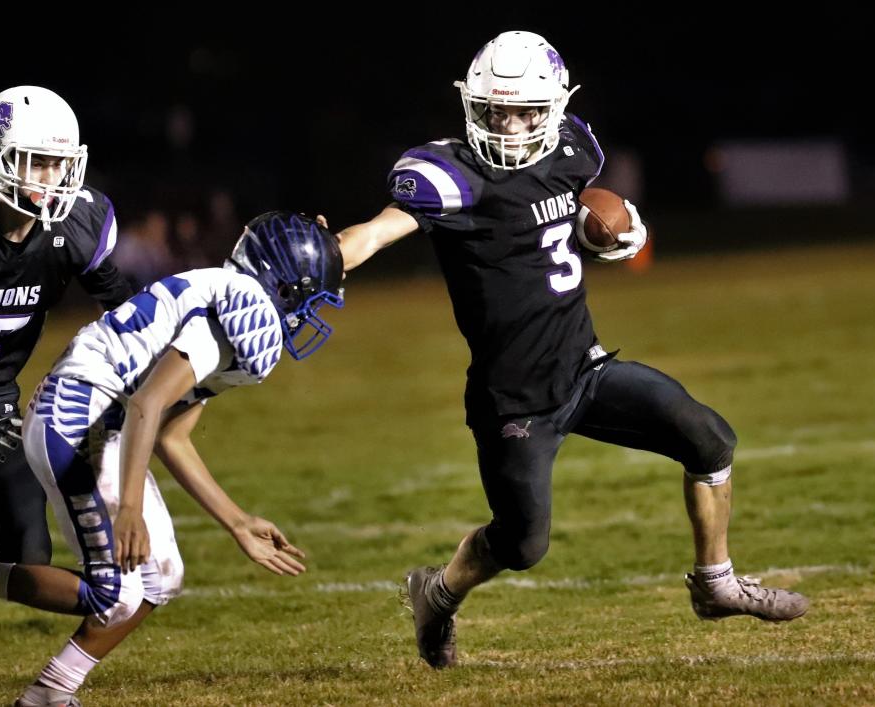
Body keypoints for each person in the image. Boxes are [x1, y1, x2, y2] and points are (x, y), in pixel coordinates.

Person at [336, 30, 809, 669]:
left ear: (552, 108)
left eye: (525, 110)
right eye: (496, 109)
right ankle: (438, 592)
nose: (509, 124)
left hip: (585, 369)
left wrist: (609, 235)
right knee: (524, 544)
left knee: (709, 437)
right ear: (473, 106)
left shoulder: (571, 151)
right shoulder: (453, 176)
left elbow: (569, 227)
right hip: (515, 401)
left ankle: (715, 582)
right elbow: (374, 233)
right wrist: (328, 255)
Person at [0, 211, 344, 706]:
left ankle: (51, 693)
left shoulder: (226, 300)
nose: (308, 315)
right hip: (79, 419)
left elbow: (173, 437)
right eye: (310, 300)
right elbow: (147, 403)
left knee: (161, 577)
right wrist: (129, 510)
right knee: (114, 592)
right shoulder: (239, 310)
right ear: (285, 286)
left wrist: (237, 522)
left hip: (101, 422)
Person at [0, 85, 133, 565]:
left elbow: (124, 308)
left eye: (59, 163)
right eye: (36, 162)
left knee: (27, 559)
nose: (51, 178)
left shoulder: (76, 225)